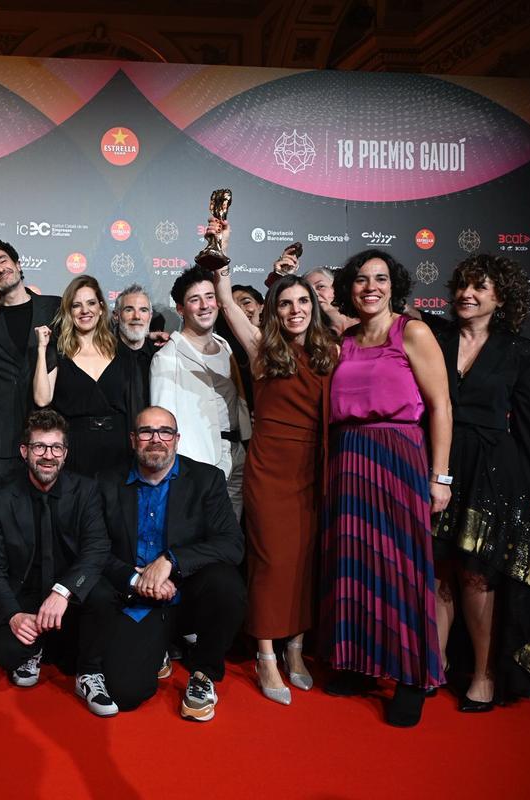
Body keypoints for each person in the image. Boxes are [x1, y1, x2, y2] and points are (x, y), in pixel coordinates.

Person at [318, 249, 452, 727]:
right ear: (349, 289)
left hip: (399, 458)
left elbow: (441, 406)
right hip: (349, 459)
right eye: (360, 279)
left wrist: (440, 476)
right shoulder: (345, 339)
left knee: (402, 568)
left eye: (379, 278)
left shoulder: (412, 332)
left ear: (393, 286)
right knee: (355, 564)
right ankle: (361, 663)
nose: (370, 287)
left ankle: (413, 677)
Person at [208, 218, 338, 705]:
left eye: (303, 301)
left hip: (314, 467)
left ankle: (296, 649)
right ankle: (265, 653)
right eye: (285, 303)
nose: (295, 310)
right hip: (269, 468)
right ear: (274, 311)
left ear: (314, 306)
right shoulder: (262, 348)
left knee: (304, 561)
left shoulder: (331, 352)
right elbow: (226, 302)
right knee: (269, 561)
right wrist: (221, 253)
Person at [430, 254, 530, 710]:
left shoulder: (520, 350)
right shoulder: (434, 337)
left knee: (478, 574)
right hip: (438, 460)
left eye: (479, 287)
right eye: (462, 285)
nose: (467, 294)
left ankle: (483, 673)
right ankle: (436, 663)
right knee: (438, 568)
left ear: (501, 298)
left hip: (493, 471)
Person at [96, 407, 245, 719]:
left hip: (187, 594)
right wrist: (135, 579)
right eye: (146, 432)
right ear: (133, 439)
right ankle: (160, 648)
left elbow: (232, 545)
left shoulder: (206, 479)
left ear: (176, 439)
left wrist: (171, 560)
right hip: (137, 599)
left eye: (165, 432)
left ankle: (204, 672)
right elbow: (94, 549)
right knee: (125, 693)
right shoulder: (106, 482)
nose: (156, 439)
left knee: (226, 584)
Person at [0, 410, 120, 717]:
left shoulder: (86, 490)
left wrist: (64, 591)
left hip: (70, 595)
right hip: (27, 594)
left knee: (103, 595)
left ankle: (89, 672)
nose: (48, 455)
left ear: (65, 453)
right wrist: (13, 615)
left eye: (56, 447)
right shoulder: (1, 499)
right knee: (7, 652)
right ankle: (37, 649)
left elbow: (97, 549)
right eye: (39, 447)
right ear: (24, 451)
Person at [149, 266, 251, 516]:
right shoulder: (167, 357)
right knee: (201, 532)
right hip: (197, 461)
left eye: (209, 297)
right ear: (180, 309)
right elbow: (161, 423)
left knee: (231, 531)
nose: (205, 305)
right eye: (195, 299)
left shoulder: (225, 346)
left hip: (238, 454)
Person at [0, 237, 60, 488]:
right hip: (0, 441)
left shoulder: (56, 308)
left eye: (3, 260)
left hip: (50, 440)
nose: (0, 269)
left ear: (18, 264)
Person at [34, 275, 145, 478]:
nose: (85, 310)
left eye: (91, 303)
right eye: (77, 305)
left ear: (101, 308)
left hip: (119, 449)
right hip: (76, 450)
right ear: (69, 312)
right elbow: (42, 399)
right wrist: (42, 349)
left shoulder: (121, 351)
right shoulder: (58, 352)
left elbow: (134, 405)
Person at [112, 284, 169, 383]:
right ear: (116, 315)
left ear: (150, 316)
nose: (137, 316)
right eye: (129, 310)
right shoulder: (101, 354)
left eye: (143, 310)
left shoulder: (163, 354)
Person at [304, 267, 357, 336]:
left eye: (320, 286)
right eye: (309, 291)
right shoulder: (313, 336)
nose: (315, 294)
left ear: (336, 288)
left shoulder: (365, 321)